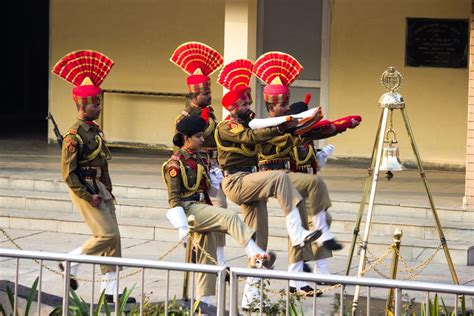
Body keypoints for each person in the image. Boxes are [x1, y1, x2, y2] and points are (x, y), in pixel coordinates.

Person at [215, 59, 322, 310]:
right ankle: (297, 231)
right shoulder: (227, 126)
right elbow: (252, 135)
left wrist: (300, 120)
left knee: (257, 241)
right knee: (280, 177)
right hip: (237, 181)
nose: (249, 106)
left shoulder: (246, 122)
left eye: (250, 102)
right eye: (244, 104)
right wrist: (285, 124)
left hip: (252, 183)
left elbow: (261, 126)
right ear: (232, 107)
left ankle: (250, 298)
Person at [253, 52, 343, 296]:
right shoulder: (264, 127)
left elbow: (311, 134)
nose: (286, 108)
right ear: (271, 107)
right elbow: (285, 138)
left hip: (290, 184)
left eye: (287, 103)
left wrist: (337, 127)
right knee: (313, 189)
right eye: (282, 105)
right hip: (274, 180)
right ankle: (308, 265)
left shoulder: (289, 126)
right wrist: (298, 125)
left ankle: (297, 281)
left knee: (301, 230)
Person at [163, 115, 276, 312]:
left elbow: (211, 191)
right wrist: (181, 227)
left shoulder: (202, 157)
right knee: (229, 217)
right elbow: (173, 199)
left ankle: (203, 300)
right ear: (186, 138)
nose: (202, 140)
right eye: (198, 136)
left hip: (202, 206)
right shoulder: (175, 163)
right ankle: (255, 254)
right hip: (188, 210)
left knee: (208, 256)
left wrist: (216, 181)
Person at [52, 50, 135, 304]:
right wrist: (89, 195)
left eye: (98, 102)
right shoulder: (73, 135)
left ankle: (110, 291)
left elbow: (103, 162)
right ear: (81, 106)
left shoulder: (94, 130)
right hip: (85, 186)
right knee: (106, 235)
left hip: (100, 186)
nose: (98, 107)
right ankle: (71, 262)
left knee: (115, 241)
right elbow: (68, 173)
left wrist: (107, 191)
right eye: (95, 103)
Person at [170, 42, 228, 266]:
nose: (209, 94)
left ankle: (220, 261)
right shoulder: (185, 117)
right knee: (197, 214)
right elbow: (179, 146)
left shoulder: (209, 112)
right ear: (194, 94)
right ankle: (196, 252)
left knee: (220, 210)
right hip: (193, 168)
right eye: (205, 92)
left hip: (212, 166)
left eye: (210, 90)